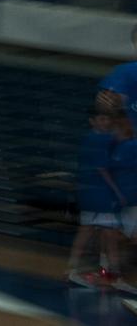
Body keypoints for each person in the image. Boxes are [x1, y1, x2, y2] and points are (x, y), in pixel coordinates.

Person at [67, 109, 129, 289]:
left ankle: (73, 270)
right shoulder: (100, 140)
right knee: (109, 236)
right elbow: (103, 169)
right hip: (100, 196)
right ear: (92, 121)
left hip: (89, 194)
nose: (105, 122)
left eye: (107, 119)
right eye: (101, 119)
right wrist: (118, 193)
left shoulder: (89, 138)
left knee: (88, 233)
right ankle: (113, 276)